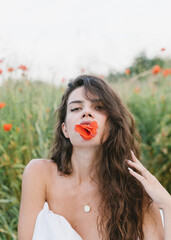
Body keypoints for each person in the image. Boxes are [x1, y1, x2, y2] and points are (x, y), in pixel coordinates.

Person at [18, 75, 171, 240]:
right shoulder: (39, 174)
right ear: (65, 130)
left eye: (98, 107)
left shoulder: (134, 190)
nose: (86, 113)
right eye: (76, 108)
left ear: (112, 125)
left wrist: (167, 204)